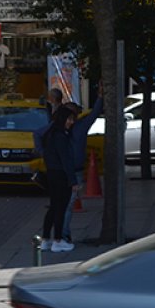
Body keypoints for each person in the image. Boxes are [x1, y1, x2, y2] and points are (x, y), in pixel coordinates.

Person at [60, 87, 103, 242]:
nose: (71, 119)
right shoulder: (60, 130)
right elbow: (94, 114)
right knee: (66, 205)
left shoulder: (78, 127)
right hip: (66, 171)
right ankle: (62, 235)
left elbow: (94, 115)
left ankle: (62, 234)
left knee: (67, 205)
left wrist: (99, 97)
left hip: (70, 171)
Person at [39, 105, 79, 253]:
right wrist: (73, 181)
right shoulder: (61, 137)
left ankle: (45, 239)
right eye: (69, 119)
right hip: (61, 175)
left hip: (52, 173)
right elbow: (66, 160)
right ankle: (58, 240)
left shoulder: (49, 134)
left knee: (53, 207)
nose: (71, 122)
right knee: (61, 208)